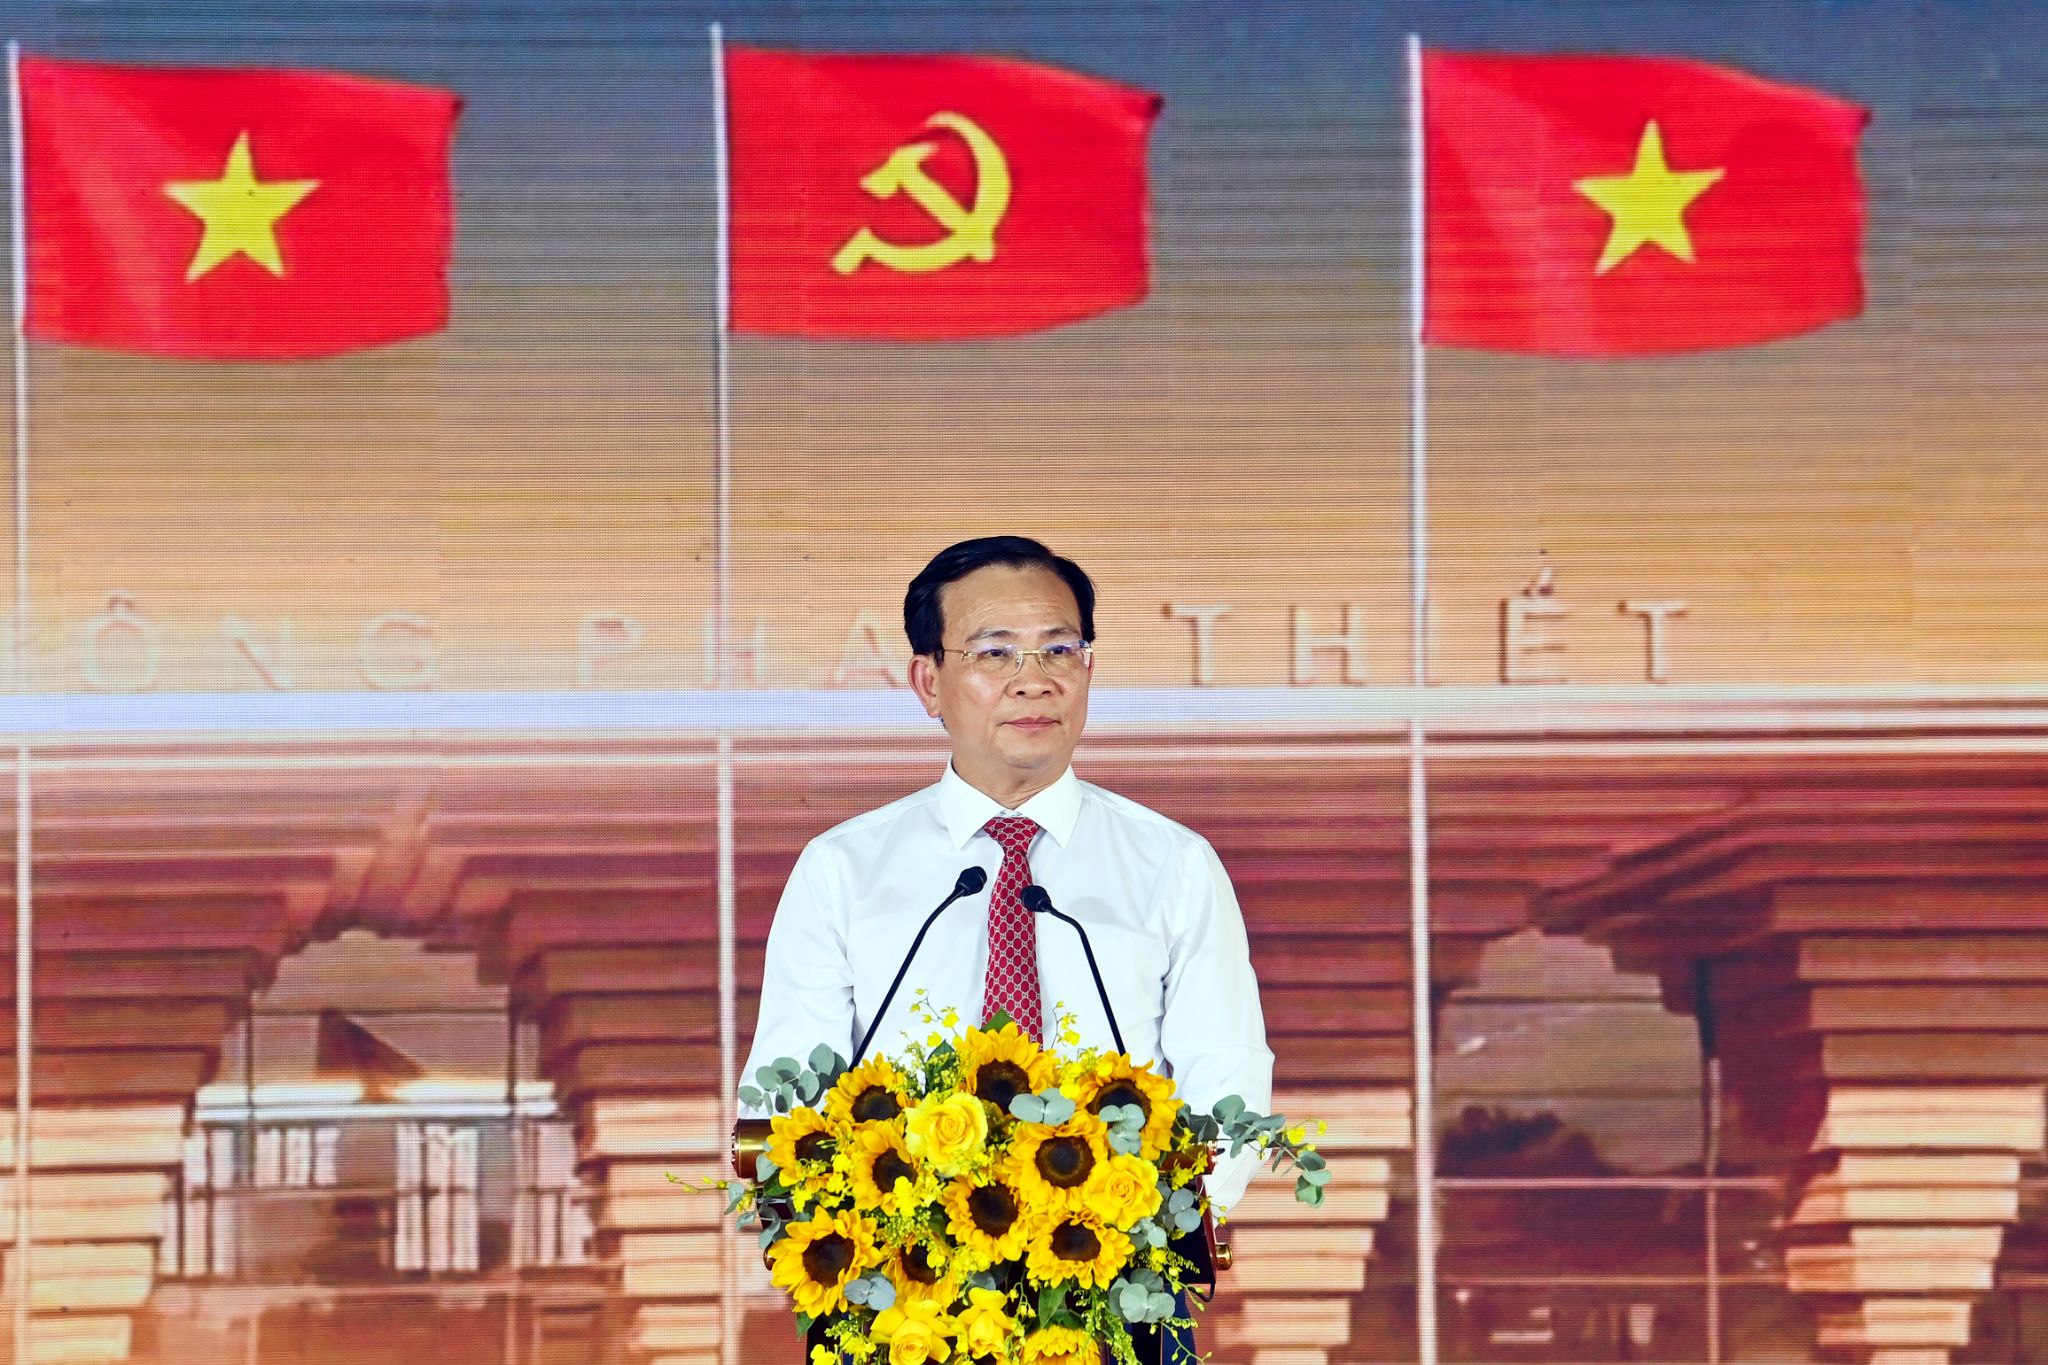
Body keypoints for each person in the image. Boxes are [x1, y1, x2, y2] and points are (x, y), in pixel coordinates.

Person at [741, 536, 1272, 1357]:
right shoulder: (843, 869)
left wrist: (1143, 1224)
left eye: (1059, 649)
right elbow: (785, 1098)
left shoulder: (1173, 864)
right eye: (996, 652)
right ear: (929, 681)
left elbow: (1227, 1073)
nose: (1034, 678)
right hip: (900, 1301)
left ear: (1089, 669)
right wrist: (878, 1230)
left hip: (1113, 1292)